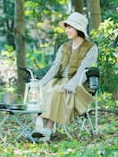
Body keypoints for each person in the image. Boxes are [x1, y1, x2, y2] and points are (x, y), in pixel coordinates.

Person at [31, 12, 98, 142]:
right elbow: (55, 66)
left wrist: (73, 84)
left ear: (79, 29)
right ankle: (42, 128)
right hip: (59, 80)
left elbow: (84, 69)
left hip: (79, 84)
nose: (67, 30)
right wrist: (42, 82)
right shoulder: (64, 47)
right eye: (66, 26)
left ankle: (45, 128)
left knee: (56, 91)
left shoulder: (91, 47)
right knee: (44, 90)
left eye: (70, 27)